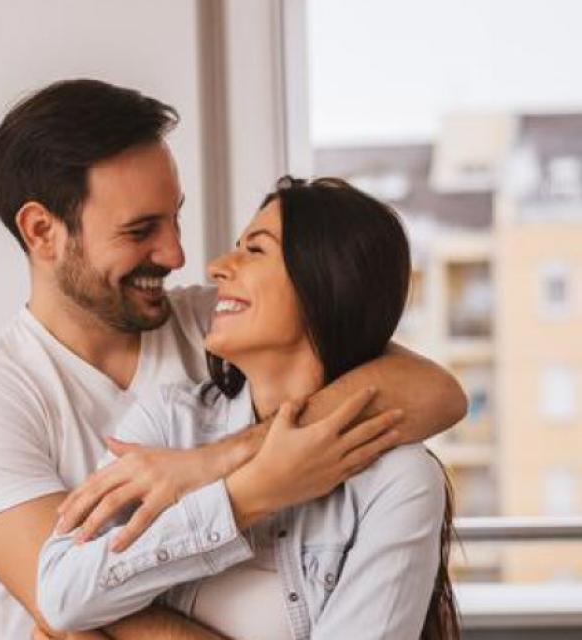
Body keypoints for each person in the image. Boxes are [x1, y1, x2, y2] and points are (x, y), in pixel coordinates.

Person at [0, 79, 467, 639]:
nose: (178, 254)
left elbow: (434, 391)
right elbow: (73, 614)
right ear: (43, 231)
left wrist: (216, 462)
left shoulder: (220, 325)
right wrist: (254, 487)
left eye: (174, 219)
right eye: (140, 230)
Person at [37, 177, 459, 639]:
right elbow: (61, 596)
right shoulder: (170, 425)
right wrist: (246, 496)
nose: (217, 267)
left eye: (255, 250)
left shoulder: (398, 480)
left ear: (325, 283)